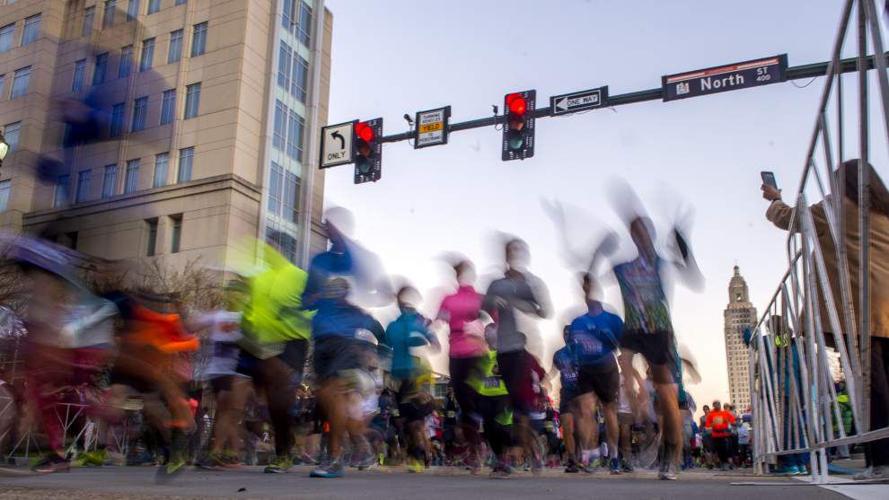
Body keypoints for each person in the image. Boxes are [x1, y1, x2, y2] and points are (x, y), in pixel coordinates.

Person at [762, 159, 889, 479]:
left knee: (871, 386)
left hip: (860, 306)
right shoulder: (885, 212)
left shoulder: (836, 207)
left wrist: (775, 198)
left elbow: (790, 220)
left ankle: (882, 461)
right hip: (886, 306)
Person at [610, 215, 703, 480]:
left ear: (651, 234)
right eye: (634, 231)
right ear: (632, 236)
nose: (639, 236)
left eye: (643, 230)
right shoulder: (624, 268)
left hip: (659, 331)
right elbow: (590, 273)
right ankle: (637, 406)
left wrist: (683, 245)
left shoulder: (661, 262)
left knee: (666, 395)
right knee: (624, 360)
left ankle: (671, 456)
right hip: (633, 329)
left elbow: (693, 277)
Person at [237, 241, 313, 474]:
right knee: (270, 402)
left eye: (272, 247)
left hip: (292, 341)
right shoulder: (259, 279)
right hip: (261, 342)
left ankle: (284, 452)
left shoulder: (299, 276)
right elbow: (251, 312)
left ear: (281, 250)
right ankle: (284, 446)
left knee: (280, 396)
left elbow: (312, 306)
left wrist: (291, 313)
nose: (267, 253)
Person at [483, 237, 552, 473]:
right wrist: (494, 300)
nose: (514, 254)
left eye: (518, 250)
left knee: (514, 406)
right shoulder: (497, 284)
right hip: (503, 350)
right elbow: (483, 305)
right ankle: (523, 450)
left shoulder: (528, 283)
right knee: (509, 408)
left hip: (524, 350)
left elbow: (545, 312)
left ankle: (512, 456)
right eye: (509, 250)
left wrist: (526, 300)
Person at [565, 273, 624, 474]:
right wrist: (573, 362)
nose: (587, 291)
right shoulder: (577, 322)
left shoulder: (612, 319)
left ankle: (614, 455)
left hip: (606, 367)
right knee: (585, 409)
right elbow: (573, 348)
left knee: (609, 410)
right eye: (584, 287)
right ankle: (590, 453)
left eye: (589, 287)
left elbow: (623, 347)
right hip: (586, 369)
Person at [436, 259, 490, 470]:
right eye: (457, 271)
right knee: (464, 402)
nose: (461, 274)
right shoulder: (449, 299)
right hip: (456, 354)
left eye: (464, 271)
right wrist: (426, 327)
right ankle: (474, 446)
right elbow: (440, 318)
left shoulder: (480, 298)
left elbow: (496, 316)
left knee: (472, 399)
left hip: (477, 354)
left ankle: (477, 448)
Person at [383, 285, 441, 472]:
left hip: (416, 375)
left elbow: (433, 341)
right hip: (398, 377)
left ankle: (419, 455)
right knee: (405, 423)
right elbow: (385, 346)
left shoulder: (417, 321)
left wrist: (432, 339)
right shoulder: (394, 326)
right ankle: (422, 452)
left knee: (415, 422)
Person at [552, 326, 581, 473]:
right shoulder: (558, 355)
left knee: (582, 429)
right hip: (567, 394)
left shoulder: (583, 352)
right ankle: (572, 459)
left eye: (570, 333)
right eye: (565, 334)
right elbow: (553, 372)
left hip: (582, 393)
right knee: (567, 428)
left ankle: (586, 457)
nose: (567, 336)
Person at [704, 400, 736, 471]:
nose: (717, 405)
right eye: (716, 404)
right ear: (713, 405)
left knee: (724, 449)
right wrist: (713, 424)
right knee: (717, 450)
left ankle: (725, 464)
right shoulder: (711, 414)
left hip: (723, 434)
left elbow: (733, 421)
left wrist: (731, 423)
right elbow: (707, 425)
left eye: (718, 404)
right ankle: (720, 464)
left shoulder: (724, 413)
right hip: (715, 435)